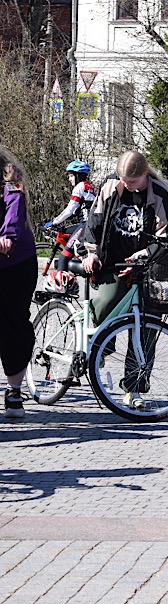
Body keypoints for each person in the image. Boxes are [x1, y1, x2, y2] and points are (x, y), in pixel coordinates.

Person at [79, 151, 168, 407]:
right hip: (114, 264)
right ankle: (102, 347)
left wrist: (143, 256)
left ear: (145, 175)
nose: (127, 185)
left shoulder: (159, 194)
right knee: (103, 304)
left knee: (146, 328)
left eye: (132, 181)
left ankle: (133, 388)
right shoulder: (111, 186)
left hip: (148, 268)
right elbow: (94, 223)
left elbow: (166, 238)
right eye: (123, 179)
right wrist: (91, 254)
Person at [0, 146, 38, 419]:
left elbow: (14, 214)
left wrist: (7, 237)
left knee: (14, 325)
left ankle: (14, 391)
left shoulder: (12, 184)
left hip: (15, 262)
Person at [46, 160, 97, 231]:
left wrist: (54, 222)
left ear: (78, 176)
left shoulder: (80, 187)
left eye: (71, 176)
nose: (69, 179)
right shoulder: (88, 186)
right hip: (92, 223)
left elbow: (70, 209)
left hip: (86, 224)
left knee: (72, 240)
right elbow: (76, 209)